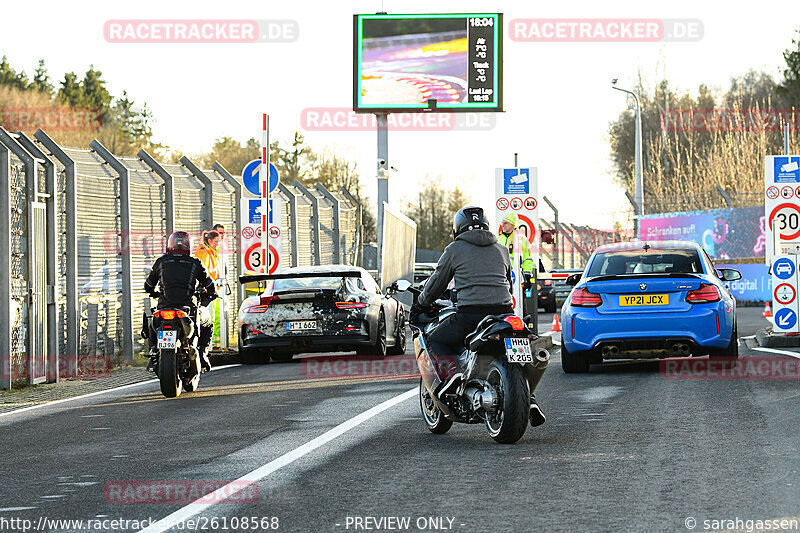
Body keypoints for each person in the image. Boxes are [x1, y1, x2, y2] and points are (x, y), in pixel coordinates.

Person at [411, 206, 545, 427]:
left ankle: (453, 373)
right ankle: (528, 398)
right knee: (518, 353)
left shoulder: (454, 249)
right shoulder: (501, 249)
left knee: (436, 340)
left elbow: (436, 283)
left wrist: (421, 303)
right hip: (504, 314)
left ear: (458, 228)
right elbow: (508, 284)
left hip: (470, 315)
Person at [143, 231, 216, 373]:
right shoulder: (195, 263)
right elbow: (209, 285)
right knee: (208, 323)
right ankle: (202, 353)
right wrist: (210, 293)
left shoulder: (161, 261)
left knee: (151, 320)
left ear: (170, 245)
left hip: (164, 307)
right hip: (187, 308)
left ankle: (153, 352)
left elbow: (148, 286)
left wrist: (154, 291)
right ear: (189, 246)